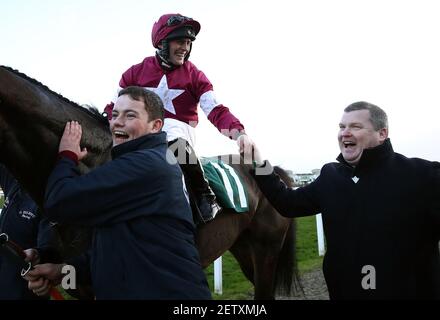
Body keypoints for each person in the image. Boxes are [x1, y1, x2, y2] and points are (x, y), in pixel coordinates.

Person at [25, 86, 212, 299]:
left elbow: (59, 202)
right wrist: (61, 271)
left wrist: (67, 155)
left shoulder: (145, 164)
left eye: (130, 115)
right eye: (114, 115)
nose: (117, 122)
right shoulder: (148, 161)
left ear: (155, 126)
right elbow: (114, 250)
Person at [248, 101, 440, 299]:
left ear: (382, 134)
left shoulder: (424, 177)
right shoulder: (330, 176)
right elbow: (287, 202)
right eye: (342, 127)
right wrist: (259, 164)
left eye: (355, 126)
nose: (345, 133)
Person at [104, 13, 254, 223]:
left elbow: (216, 110)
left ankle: (205, 196)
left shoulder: (195, 76)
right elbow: (111, 108)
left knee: (170, 132)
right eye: (180, 41)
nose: (185, 47)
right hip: (139, 136)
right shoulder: (134, 73)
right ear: (162, 43)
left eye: (188, 42)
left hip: (179, 136)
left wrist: (239, 134)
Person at [0, 164, 59, 300]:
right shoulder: (15, 183)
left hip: (22, 290)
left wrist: (38, 254)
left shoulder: (45, 199)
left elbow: (48, 250)